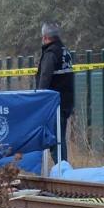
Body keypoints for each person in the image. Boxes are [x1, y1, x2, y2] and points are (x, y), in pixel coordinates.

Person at [36, 22, 74, 164]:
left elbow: (45, 78)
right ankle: (63, 168)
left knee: (55, 139)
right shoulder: (65, 52)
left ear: (45, 37)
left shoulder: (51, 53)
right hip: (66, 101)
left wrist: (38, 100)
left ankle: (62, 170)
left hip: (54, 103)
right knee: (59, 137)